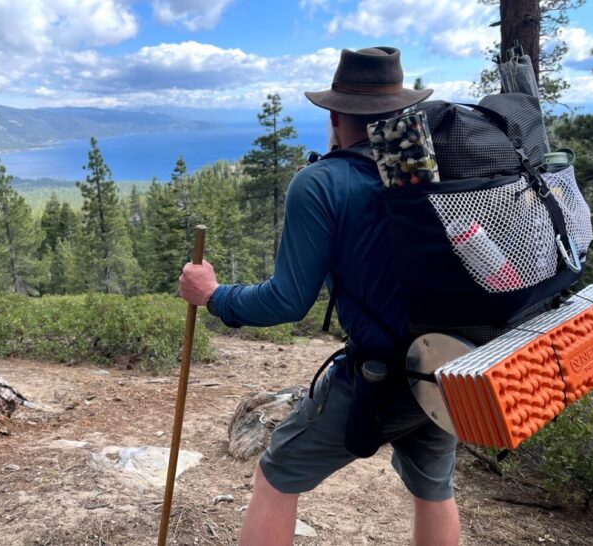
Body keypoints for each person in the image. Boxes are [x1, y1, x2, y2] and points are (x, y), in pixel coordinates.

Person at [179, 46, 460, 546]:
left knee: (276, 475)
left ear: (334, 114)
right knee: (434, 488)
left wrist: (215, 295)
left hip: (380, 374)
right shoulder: (438, 171)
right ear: (401, 111)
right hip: (448, 364)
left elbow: (286, 302)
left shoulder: (321, 182)